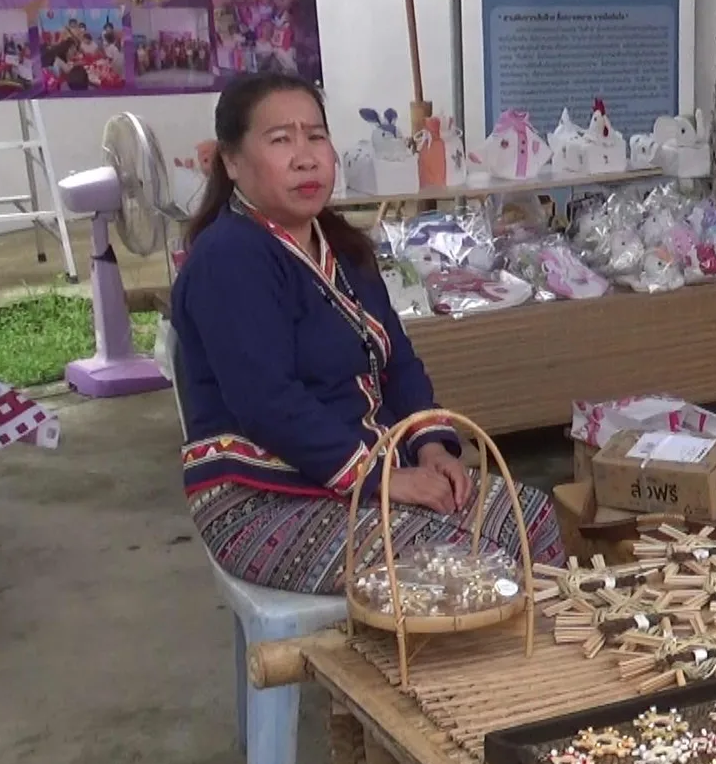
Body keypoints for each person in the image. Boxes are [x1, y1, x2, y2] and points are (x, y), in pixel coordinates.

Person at [171, 71, 565, 596]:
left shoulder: (343, 248)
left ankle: (539, 650)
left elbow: (397, 360)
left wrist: (431, 447)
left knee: (531, 517)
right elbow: (267, 402)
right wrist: (382, 480)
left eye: (316, 136)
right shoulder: (228, 258)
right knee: (459, 563)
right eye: (280, 140)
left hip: (365, 465)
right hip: (262, 492)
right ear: (232, 161)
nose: (306, 157)